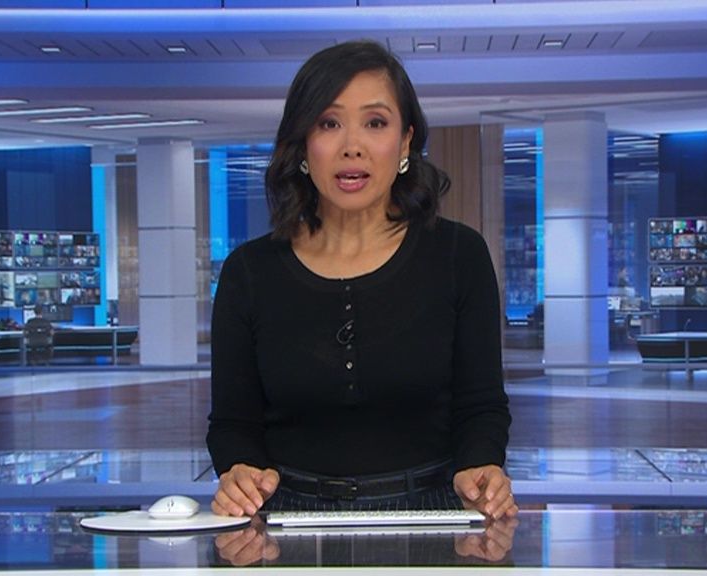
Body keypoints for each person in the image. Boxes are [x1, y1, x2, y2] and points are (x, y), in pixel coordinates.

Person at [207, 40, 515, 520]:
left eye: (375, 123)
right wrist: (239, 473)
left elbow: (481, 406)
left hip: (431, 518)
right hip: (284, 524)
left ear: (406, 142)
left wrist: (481, 466)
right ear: (303, 144)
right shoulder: (249, 271)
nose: (352, 146)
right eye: (329, 123)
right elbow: (232, 423)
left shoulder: (459, 254)